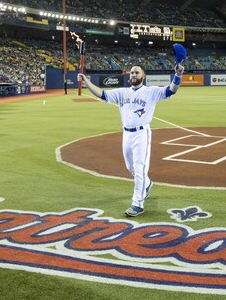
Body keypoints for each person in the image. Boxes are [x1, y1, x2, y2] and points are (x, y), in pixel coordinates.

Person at [78, 62, 185, 217]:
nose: (133, 75)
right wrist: (86, 81)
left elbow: (171, 90)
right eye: (132, 73)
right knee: (131, 167)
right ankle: (147, 184)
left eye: (137, 72)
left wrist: (178, 75)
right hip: (126, 134)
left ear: (143, 76)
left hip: (141, 134)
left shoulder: (151, 92)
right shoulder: (122, 92)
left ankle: (137, 204)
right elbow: (102, 94)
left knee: (140, 168)